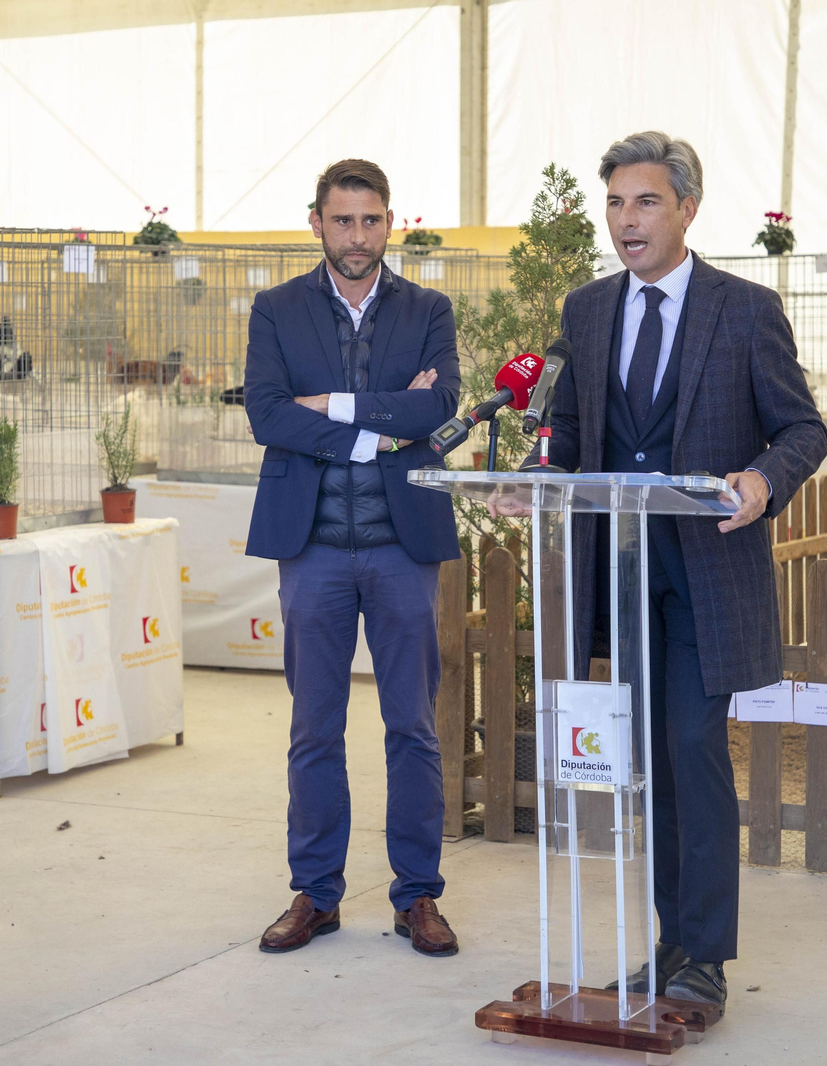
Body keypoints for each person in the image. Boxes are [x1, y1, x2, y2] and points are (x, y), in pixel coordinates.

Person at [530, 132, 827, 1008]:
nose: (628, 220)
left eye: (646, 202)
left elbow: (802, 430)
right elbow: (573, 433)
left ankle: (706, 956)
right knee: (649, 760)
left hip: (706, 575)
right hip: (617, 582)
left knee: (693, 747)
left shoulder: (744, 310)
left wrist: (762, 480)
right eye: (617, 202)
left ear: (687, 209)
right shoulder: (585, 310)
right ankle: (671, 945)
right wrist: (537, 485)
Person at [243, 159, 464, 958]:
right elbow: (267, 415)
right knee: (314, 729)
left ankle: (418, 898)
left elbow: (439, 408)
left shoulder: (429, 309)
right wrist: (383, 425)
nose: (357, 236)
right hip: (312, 550)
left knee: (412, 726)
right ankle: (316, 894)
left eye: (371, 221)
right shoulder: (276, 310)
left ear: (390, 223)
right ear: (317, 224)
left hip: (404, 549)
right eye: (343, 221)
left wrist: (332, 409)